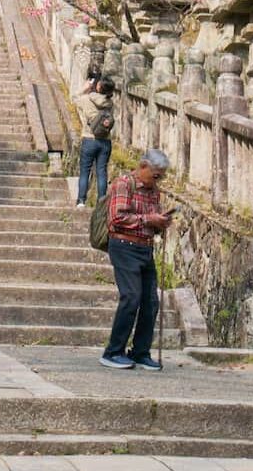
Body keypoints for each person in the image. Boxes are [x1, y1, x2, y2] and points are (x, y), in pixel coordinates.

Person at [100, 148, 172, 371]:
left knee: (151, 302)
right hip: (124, 246)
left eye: (161, 175)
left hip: (145, 248)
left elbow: (150, 221)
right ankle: (113, 351)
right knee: (131, 297)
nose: (157, 179)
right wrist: (150, 219)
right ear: (143, 167)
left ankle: (140, 352)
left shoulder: (154, 192)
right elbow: (118, 218)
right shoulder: (124, 184)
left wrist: (161, 222)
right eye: (155, 174)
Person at [75, 79, 114, 207]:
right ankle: (102, 202)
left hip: (89, 139)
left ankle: (81, 201)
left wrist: (85, 88)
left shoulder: (87, 99)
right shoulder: (110, 103)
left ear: (98, 87)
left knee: (85, 171)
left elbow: (74, 98)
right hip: (105, 141)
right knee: (102, 172)